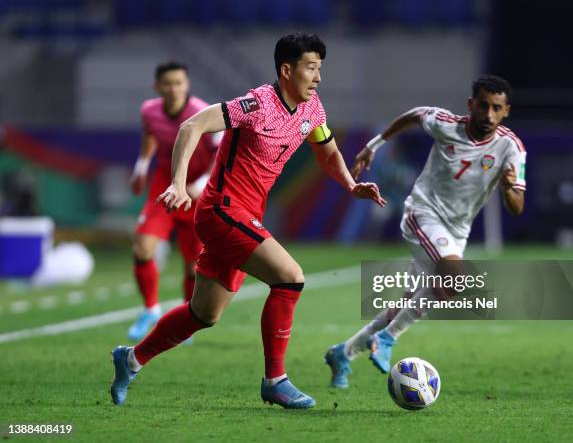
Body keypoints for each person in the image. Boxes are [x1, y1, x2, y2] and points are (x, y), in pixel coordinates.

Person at [111, 32, 385, 409]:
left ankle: (130, 359)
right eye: (311, 68)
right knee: (291, 277)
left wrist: (351, 186)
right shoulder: (256, 103)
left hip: (245, 215)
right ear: (287, 70)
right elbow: (191, 126)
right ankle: (276, 379)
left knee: (203, 313)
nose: (318, 77)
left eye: (320, 69)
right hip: (221, 209)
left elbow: (327, 152)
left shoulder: (312, 109)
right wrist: (178, 182)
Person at [325, 75, 526, 388]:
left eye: (496, 108)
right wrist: (373, 146)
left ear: (506, 111)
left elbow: (517, 205)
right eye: (483, 105)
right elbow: (415, 114)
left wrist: (508, 186)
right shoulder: (446, 124)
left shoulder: (511, 148)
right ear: (471, 105)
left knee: (411, 302)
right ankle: (388, 339)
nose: (488, 113)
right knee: (455, 278)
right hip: (422, 213)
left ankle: (343, 352)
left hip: (457, 231)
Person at [127, 61, 220, 341]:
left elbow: (221, 150)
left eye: (178, 82)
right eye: (167, 83)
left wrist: (202, 183)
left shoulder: (204, 113)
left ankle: (184, 318)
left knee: (193, 265)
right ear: (158, 87)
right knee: (143, 247)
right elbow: (149, 136)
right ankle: (150, 309)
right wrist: (141, 166)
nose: (173, 88)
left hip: (195, 192)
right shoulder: (149, 111)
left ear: (187, 84)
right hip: (165, 186)